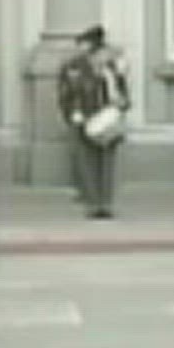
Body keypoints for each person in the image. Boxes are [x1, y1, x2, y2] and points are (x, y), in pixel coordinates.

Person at [63, 37, 131, 219]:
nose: (106, 58)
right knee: (88, 163)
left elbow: (124, 95)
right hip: (87, 119)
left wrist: (122, 101)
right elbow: (69, 95)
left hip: (109, 121)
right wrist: (73, 114)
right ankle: (93, 204)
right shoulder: (77, 70)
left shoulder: (113, 72)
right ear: (94, 55)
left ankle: (106, 204)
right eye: (103, 54)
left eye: (108, 55)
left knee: (108, 164)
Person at [59, 27, 101, 205]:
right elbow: (65, 91)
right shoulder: (73, 65)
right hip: (80, 113)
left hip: (98, 115)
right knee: (81, 155)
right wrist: (70, 112)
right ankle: (85, 190)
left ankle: (95, 192)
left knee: (96, 155)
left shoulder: (104, 64)